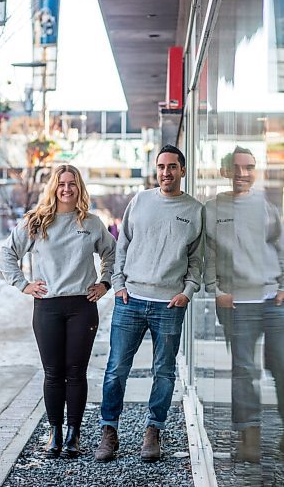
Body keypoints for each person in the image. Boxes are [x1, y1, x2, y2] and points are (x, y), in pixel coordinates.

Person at [0, 164, 116, 458]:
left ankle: (74, 434)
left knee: (76, 372)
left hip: (82, 307)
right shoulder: (37, 223)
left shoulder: (90, 223)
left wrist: (105, 282)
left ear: (79, 188)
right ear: (54, 187)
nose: (67, 188)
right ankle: (55, 433)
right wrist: (23, 284)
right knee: (53, 373)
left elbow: (112, 252)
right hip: (47, 308)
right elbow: (6, 253)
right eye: (61, 183)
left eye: (72, 183)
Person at [95, 144, 203, 462]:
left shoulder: (195, 210)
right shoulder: (140, 200)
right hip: (131, 300)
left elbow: (197, 260)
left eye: (172, 167)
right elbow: (123, 245)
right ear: (155, 170)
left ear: (182, 170)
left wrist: (188, 291)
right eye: (161, 167)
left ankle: (153, 431)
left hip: (169, 304)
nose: (165, 172)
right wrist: (118, 285)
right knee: (116, 371)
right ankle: (108, 431)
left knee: (165, 372)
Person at [204, 146, 284, 462]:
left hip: (271, 302)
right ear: (225, 171)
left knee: (281, 368)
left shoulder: (267, 207)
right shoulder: (212, 209)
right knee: (244, 371)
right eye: (236, 168)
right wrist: (215, 290)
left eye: (248, 167)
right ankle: (249, 438)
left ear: (255, 171)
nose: (242, 174)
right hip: (237, 304)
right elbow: (206, 254)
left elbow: (280, 248)